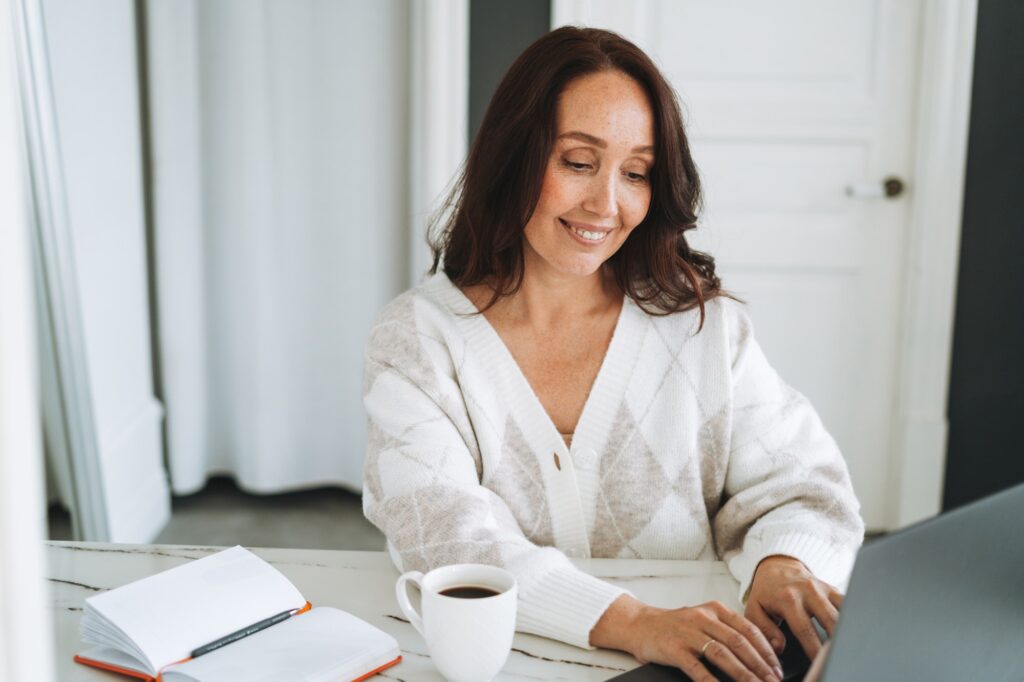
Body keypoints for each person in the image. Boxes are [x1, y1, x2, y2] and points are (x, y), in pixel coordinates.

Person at [362, 26, 863, 682]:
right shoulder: (419, 339)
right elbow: (450, 542)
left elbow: (807, 486)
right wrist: (636, 624)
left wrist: (784, 565)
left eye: (637, 173)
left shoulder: (703, 328)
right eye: (577, 162)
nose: (606, 204)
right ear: (515, 157)